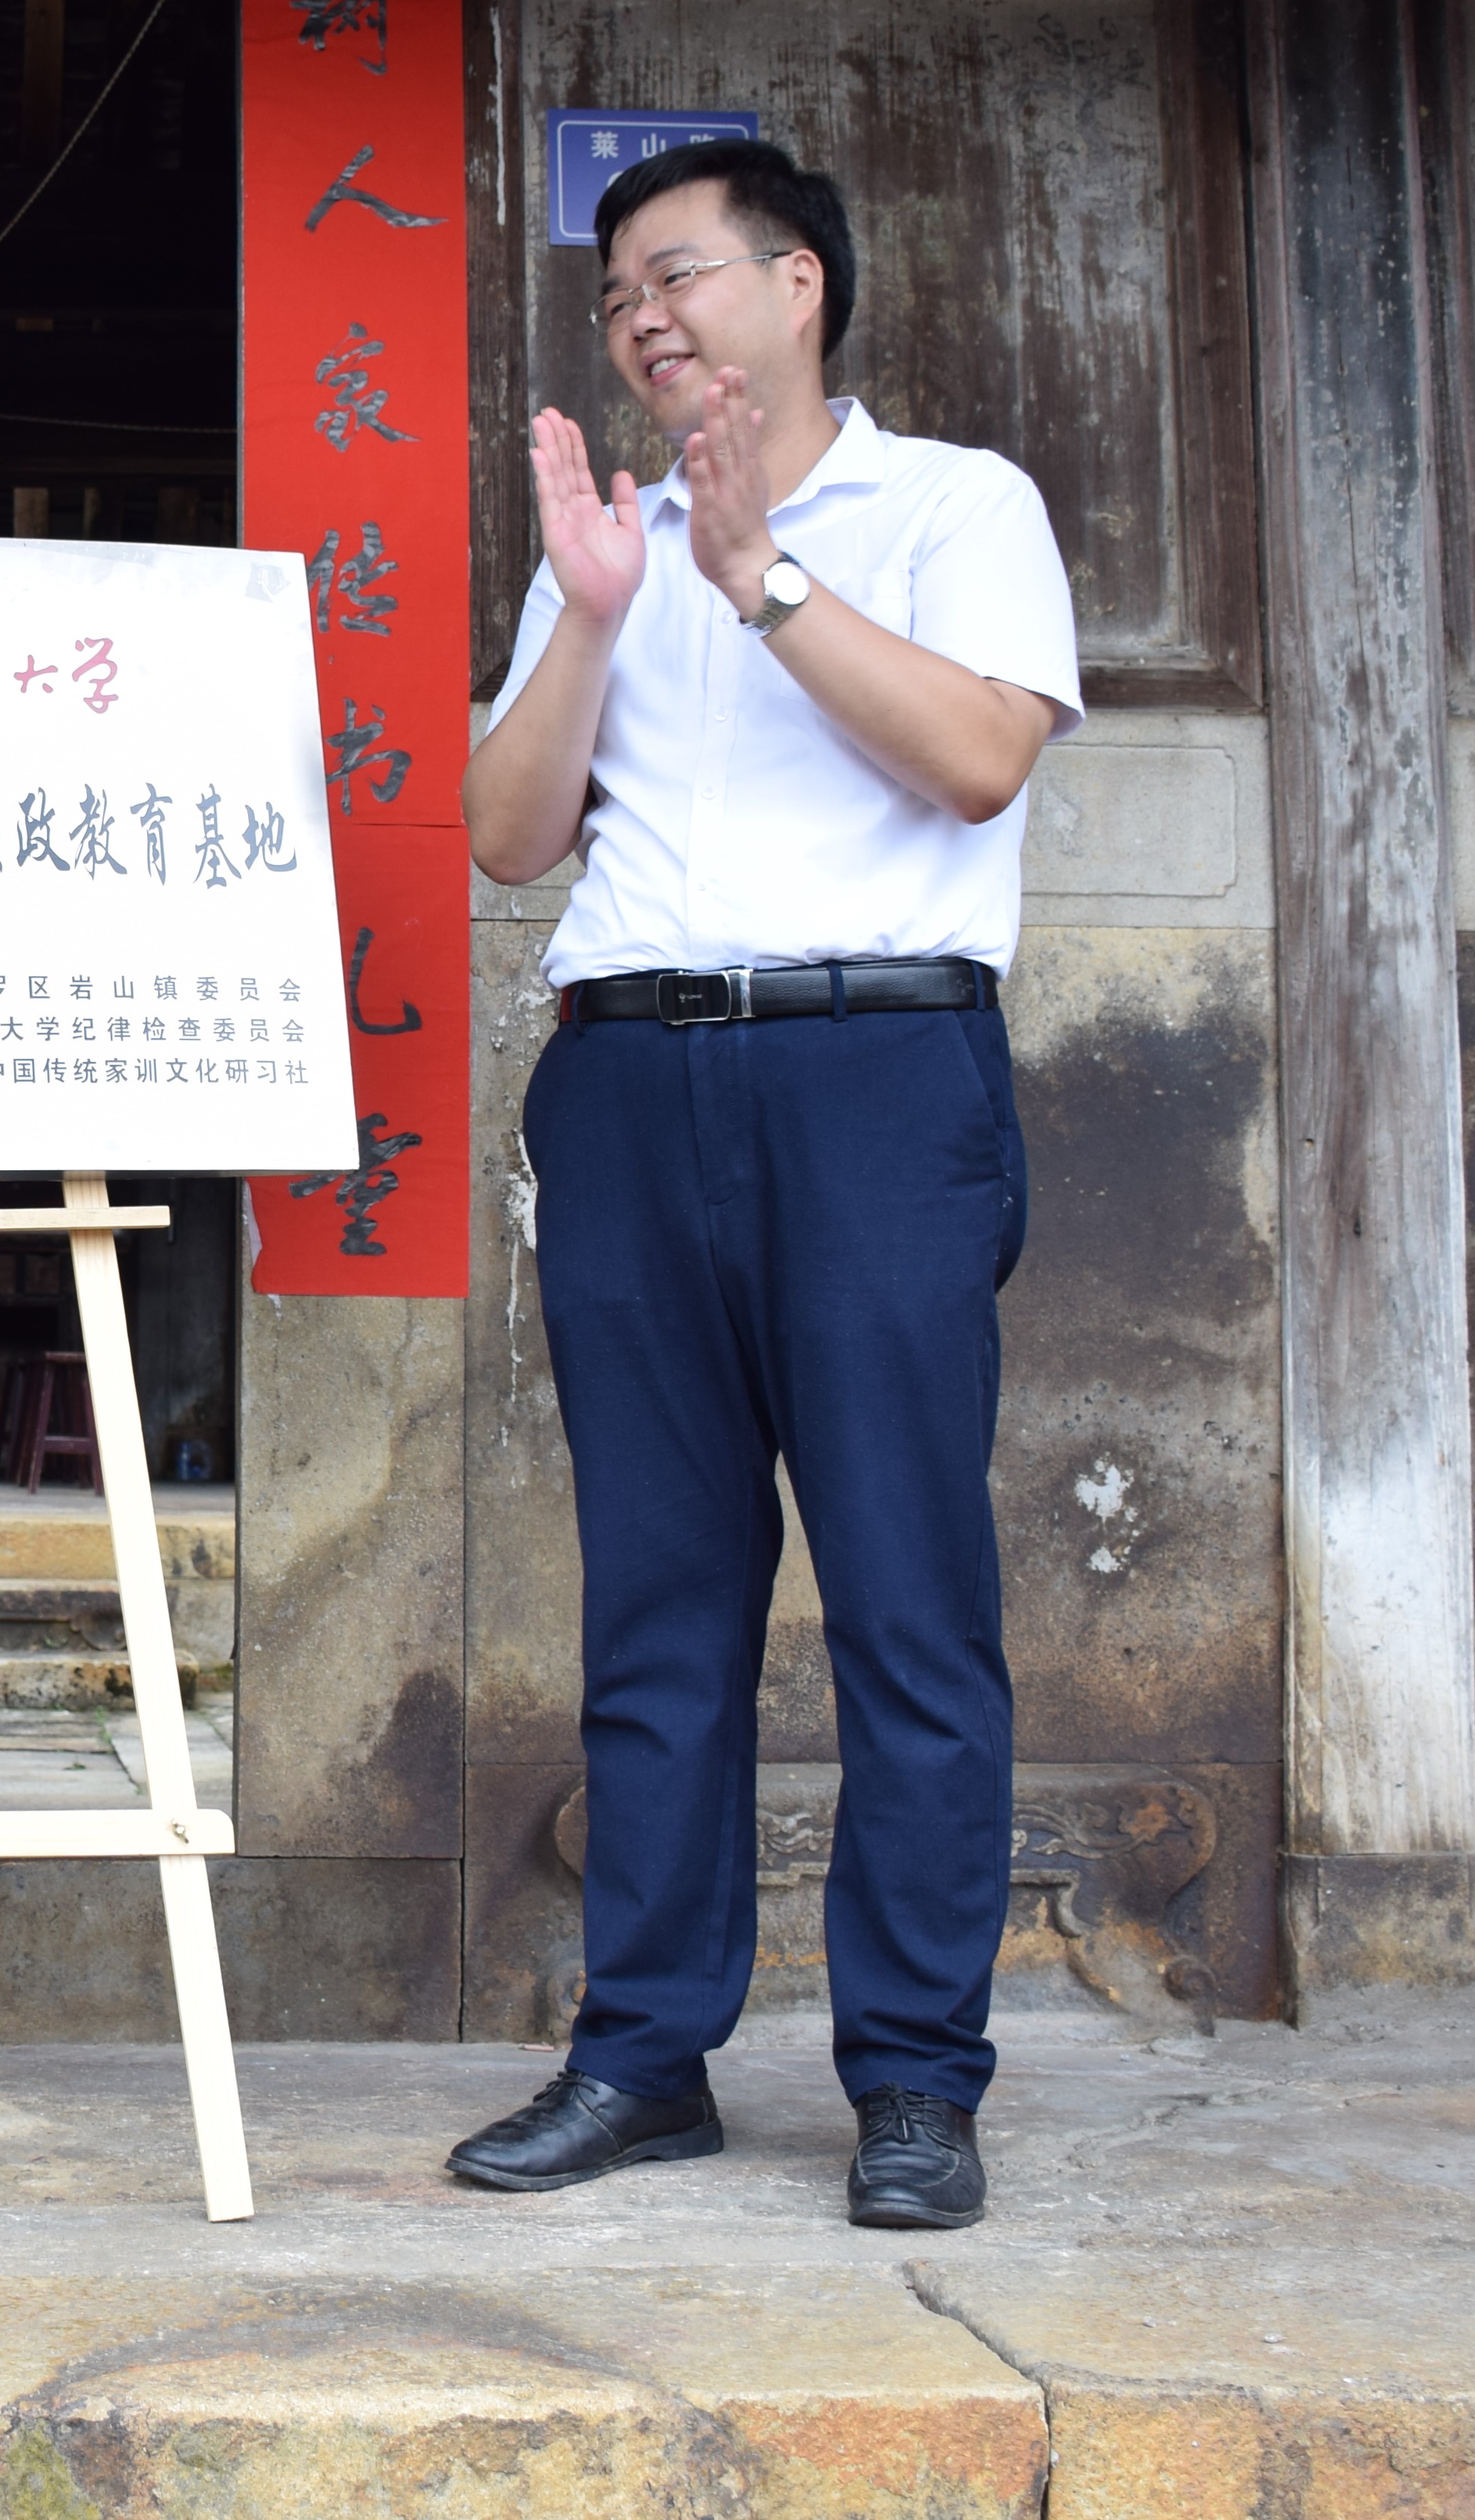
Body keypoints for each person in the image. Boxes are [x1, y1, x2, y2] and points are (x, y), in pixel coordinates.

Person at [448, 140, 1078, 2230]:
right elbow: (506, 835)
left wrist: (763, 585)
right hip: (630, 1078)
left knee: (906, 1600)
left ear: (798, 283)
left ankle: (913, 2077)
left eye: (679, 271)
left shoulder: (952, 506)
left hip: (877, 1070)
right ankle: (642, 2055)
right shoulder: (598, 545)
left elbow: (977, 760)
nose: (639, 313)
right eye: (617, 290)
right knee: (658, 1605)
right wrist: (598, 616)